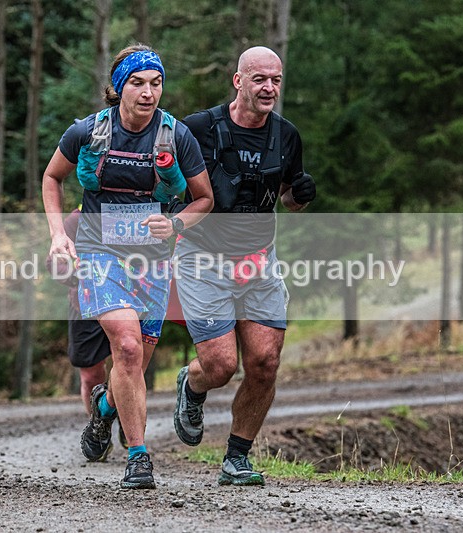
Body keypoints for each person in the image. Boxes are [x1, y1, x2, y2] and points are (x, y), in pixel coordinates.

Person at [42, 43, 213, 490]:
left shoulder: (176, 137)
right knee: (128, 348)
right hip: (99, 253)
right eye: (137, 83)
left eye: (156, 83)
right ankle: (139, 457)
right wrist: (60, 234)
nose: (148, 92)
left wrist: (175, 222)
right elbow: (51, 177)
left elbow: (205, 199)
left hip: (153, 263)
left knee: (131, 366)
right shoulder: (88, 132)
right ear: (119, 88)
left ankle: (103, 414)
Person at [172, 46, 316, 486]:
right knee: (219, 366)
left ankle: (237, 457)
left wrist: (301, 196)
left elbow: (289, 200)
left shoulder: (286, 136)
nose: (269, 87)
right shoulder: (198, 129)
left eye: (275, 79)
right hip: (202, 258)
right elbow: (168, 181)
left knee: (265, 363)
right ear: (239, 81)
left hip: (259, 261)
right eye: (260, 79)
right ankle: (192, 385)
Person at [44, 208, 127, 453]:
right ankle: (99, 426)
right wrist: (76, 275)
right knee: (90, 375)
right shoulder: (77, 218)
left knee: (128, 362)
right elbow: (53, 263)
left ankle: (126, 413)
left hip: (126, 303)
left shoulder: (133, 210)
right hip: (85, 305)